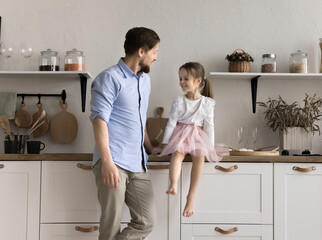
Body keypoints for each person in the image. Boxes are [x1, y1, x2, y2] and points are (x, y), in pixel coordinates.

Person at [89, 27, 160, 240]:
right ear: (141, 51)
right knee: (111, 225)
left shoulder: (145, 80)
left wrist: (150, 147)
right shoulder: (108, 78)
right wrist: (107, 162)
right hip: (114, 161)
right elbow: (99, 121)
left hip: (138, 162)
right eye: (154, 52)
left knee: (147, 221)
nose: (156, 57)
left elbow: (138, 120)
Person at [157, 62, 227, 218]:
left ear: (198, 81)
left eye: (185, 79)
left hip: (197, 136)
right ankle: (173, 184)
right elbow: (171, 123)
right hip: (180, 134)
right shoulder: (179, 101)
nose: (181, 82)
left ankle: (191, 197)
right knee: (177, 153)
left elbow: (209, 126)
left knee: (199, 157)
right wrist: (165, 143)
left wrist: (210, 146)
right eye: (180, 79)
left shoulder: (207, 103)